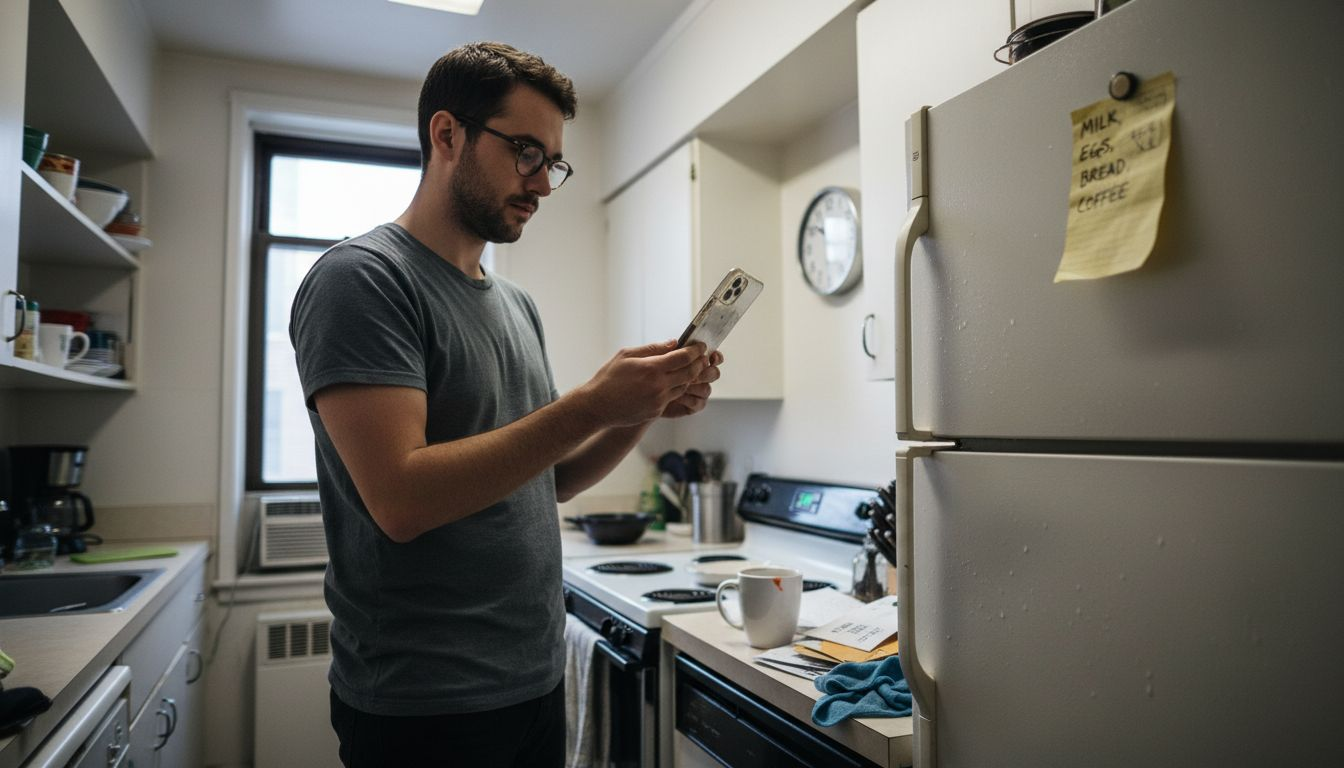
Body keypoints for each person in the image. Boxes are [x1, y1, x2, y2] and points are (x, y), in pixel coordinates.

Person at [289, 42, 721, 767]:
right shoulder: (361, 281)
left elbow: (543, 480)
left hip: (531, 679)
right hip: (426, 706)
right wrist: (589, 404)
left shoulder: (515, 304)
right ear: (447, 135)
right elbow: (400, 499)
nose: (544, 184)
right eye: (526, 151)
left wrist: (643, 405)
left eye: (552, 161)